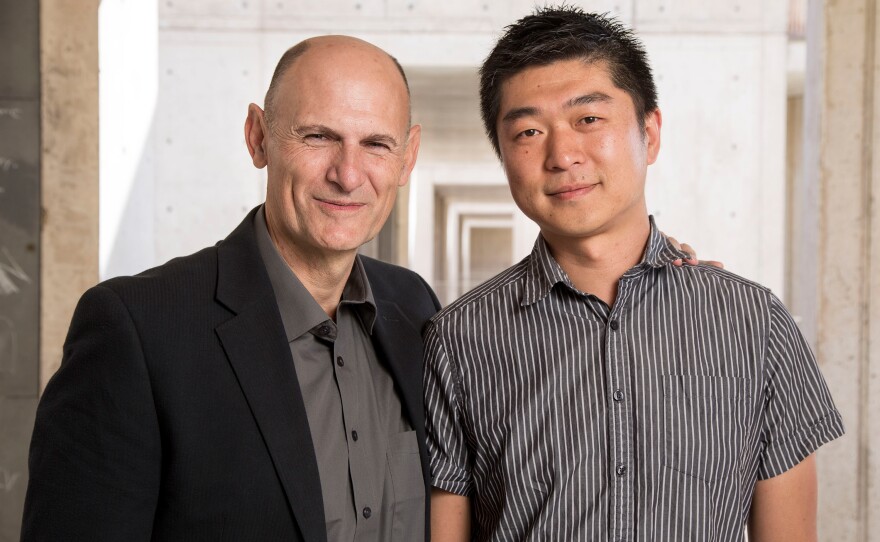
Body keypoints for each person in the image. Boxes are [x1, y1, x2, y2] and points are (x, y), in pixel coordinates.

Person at [424, 7, 844, 542]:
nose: (562, 154)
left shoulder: (754, 324)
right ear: (503, 156)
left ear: (650, 132)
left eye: (588, 119)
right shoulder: (459, 338)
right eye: (529, 130)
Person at [22, 36, 439, 541]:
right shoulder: (136, 329)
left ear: (407, 157)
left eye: (375, 144)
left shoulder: (415, 308)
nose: (348, 175)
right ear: (258, 137)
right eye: (318, 137)